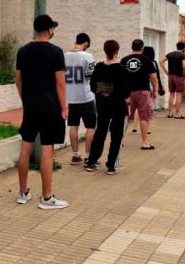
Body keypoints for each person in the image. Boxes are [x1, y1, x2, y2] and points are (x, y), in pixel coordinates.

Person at [15, 14, 69, 210]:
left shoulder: (23, 51)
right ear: (49, 29)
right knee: (47, 149)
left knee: (26, 147)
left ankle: (22, 193)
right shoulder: (56, 52)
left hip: (31, 107)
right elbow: (60, 82)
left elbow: (18, 80)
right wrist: (64, 107)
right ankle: (46, 198)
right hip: (50, 107)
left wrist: (25, 100)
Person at [86, 40, 130, 174]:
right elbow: (125, 92)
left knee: (100, 133)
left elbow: (93, 86)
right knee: (117, 137)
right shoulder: (121, 69)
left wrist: (105, 92)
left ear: (105, 51)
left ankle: (91, 162)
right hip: (118, 107)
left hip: (102, 105)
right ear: (117, 51)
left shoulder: (99, 67)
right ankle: (111, 166)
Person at [64, 33, 96, 166]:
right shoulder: (87, 56)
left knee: (73, 126)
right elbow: (92, 77)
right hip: (86, 96)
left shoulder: (64, 56)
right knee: (90, 127)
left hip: (71, 97)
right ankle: (88, 157)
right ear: (86, 44)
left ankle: (75, 156)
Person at [121, 39, 159, 150]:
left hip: (128, 93)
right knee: (144, 117)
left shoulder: (124, 60)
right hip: (143, 92)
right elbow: (153, 77)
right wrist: (155, 90)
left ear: (132, 47)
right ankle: (145, 142)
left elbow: (120, 77)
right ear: (142, 48)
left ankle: (120, 141)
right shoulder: (147, 60)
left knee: (126, 117)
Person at [160, 41, 185, 119]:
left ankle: (170, 113)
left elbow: (161, 61)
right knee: (179, 94)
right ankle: (177, 114)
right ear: (183, 48)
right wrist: (184, 74)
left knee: (171, 94)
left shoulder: (170, 54)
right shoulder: (182, 55)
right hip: (179, 76)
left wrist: (166, 72)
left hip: (171, 76)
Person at [142, 46, 163, 112]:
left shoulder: (141, 62)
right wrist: (159, 86)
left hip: (144, 85)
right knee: (150, 104)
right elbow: (156, 76)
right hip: (151, 85)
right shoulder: (153, 63)